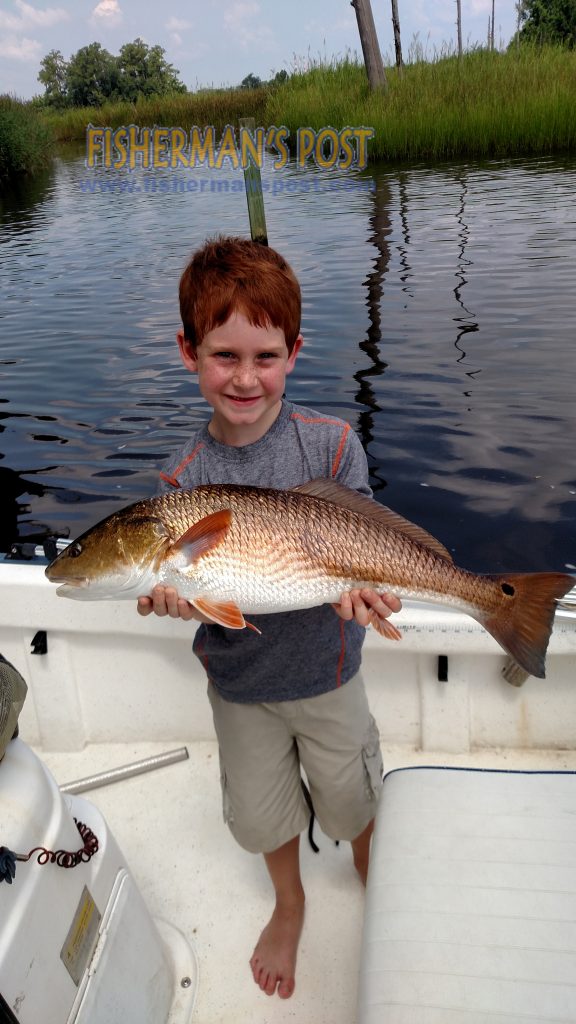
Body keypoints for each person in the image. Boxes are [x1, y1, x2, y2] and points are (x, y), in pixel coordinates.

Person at [137, 236, 401, 1000]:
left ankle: (367, 863)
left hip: (330, 673)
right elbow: (205, 597)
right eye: (224, 355)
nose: (245, 377)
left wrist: (366, 591)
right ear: (189, 353)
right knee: (260, 816)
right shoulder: (184, 481)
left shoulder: (332, 444)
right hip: (242, 687)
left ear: (294, 351)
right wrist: (167, 596)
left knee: (355, 800)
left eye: (265, 355)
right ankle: (290, 900)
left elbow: (368, 541)